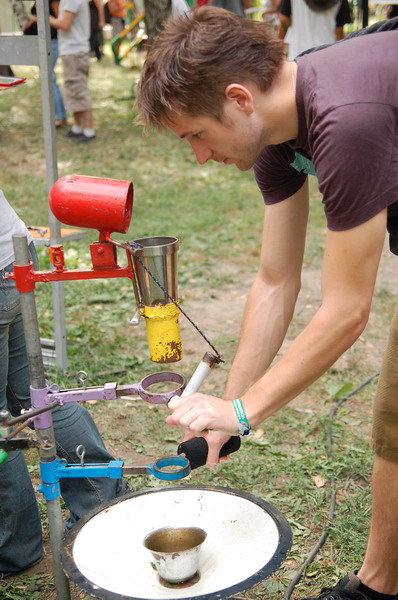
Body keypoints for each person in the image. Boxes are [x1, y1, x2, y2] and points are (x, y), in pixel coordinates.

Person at [136, 7, 398, 600]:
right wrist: (227, 418)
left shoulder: (345, 119)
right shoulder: (279, 132)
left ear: (239, 99)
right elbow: (276, 281)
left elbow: (347, 310)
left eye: (197, 135)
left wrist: (247, 411)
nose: (200, 156)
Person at [0, 190, 129, 577]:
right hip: (11, 252)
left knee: (12, 413)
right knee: (31, 399)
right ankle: (101, 506)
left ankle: (14, 551)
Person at [49, 0, 99, 142]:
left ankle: (89, 131)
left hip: (75, 52)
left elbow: (64, 24)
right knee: (73, 91)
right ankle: (77, 128)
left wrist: (45, 18)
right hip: (72, 51)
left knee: (79, 91)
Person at [22, 1, 68, 128]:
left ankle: (58, 115)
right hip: (41, 43)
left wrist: (36, 18)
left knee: (48, 78)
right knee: (50, 79)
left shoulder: (53, 1)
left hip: (51, 42)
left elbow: (60, 20)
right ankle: (61, 114)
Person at [278, 0, 351, 60]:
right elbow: (339, 31)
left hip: (298, 53)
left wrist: (296, 23)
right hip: (326, 52)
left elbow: (283, 18)